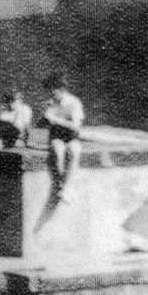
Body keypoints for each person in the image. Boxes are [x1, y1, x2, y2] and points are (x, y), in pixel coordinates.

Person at [40, 72, 86, 201]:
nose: (51, 94)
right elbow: (46, 123)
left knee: (74, 150)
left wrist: (56, 119)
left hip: (71, 135)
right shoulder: (50, 103)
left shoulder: (74, 102)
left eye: (52, 90)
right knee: (58, 150)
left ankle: (65, 187)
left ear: (61, 89)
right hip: (57, 135)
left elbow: (76, 126)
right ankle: (63, 186)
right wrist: (45, 118)